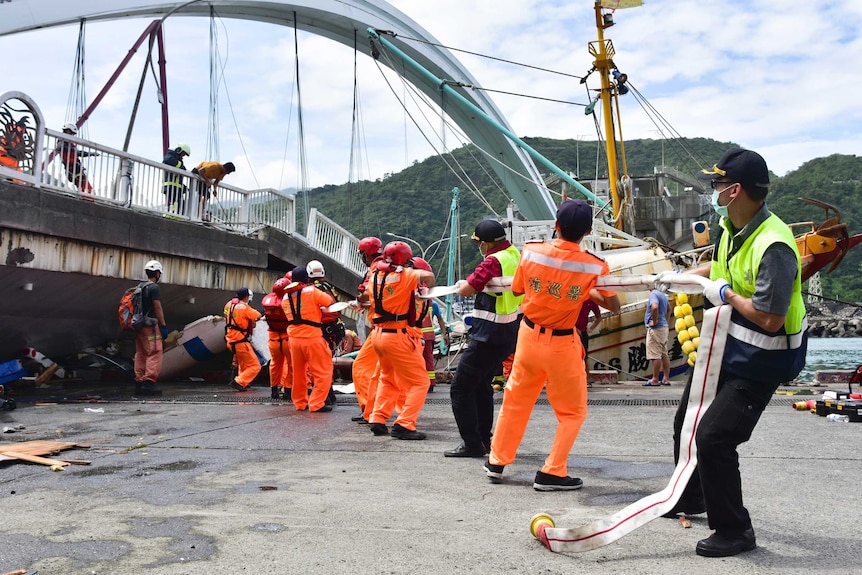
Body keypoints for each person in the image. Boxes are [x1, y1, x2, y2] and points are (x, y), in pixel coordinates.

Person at [663, 148, 808, 557]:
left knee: (714, 437)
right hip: (726, 346)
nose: (713, 190)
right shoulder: (731, 225)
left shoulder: (774, 245)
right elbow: (719, 267)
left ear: (735, 189)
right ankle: (689, 499)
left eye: (717, 184)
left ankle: (735, 531)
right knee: (687, 422)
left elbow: (769, 318)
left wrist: (723, 294)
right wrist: (679, 278)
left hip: (762, 358)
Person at [484, 199, 620, 490]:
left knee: (516, 401)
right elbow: (614, 303)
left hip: (529, 336)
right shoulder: (594, 265)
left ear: (556, 226)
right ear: (587, 232)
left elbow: (519, 288)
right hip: (562, 343)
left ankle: (497, 461)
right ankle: (552, 472)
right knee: (572, 412)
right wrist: (590, 292)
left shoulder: (532, 252)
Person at [444, 219, 522, 459]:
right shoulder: (513, 253)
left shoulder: (492, 262)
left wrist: (462, 285)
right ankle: (484, 439)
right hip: (508, 333)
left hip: (488, 335)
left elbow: (467, 289)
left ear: (486, 244)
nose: (479, 247)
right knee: (480, 386)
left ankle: (472, 443)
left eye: (479, 243)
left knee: (460, 388)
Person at [365, 241, 435, 439]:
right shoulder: (406, 275)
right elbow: (428, 276)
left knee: (388, 378)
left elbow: (364, 297)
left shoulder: (375, 277)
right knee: (420, 381)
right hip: (397, 336)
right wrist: (426, 290)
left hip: (378, 335)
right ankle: (404, 424)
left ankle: (377, 418)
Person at [282, 266, 337, 412]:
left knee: (299, 373)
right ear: (307, 279)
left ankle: (300, 403)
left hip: (293, 339)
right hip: (312, 337)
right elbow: (329, 302)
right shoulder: (312, 291)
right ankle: (317, 403)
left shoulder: (285, 297)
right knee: (323, 371)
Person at [350, 237, 385, 424]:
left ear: (366, 254)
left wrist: (359, 300)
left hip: (381, 328)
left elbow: (369, 294)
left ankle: (369, 410)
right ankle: (374, 412)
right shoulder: (385, 267)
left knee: (361, 366)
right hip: (386, 328)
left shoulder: (376, 270)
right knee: (383, 374)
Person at [411, 257, 450, 393]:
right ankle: (430, 383)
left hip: (416, 335)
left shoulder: (413, 296)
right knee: (428, 359)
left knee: (416, 360)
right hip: (429, 335)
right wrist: (445, 334)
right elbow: (440, 319)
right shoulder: (431, 301)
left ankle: (419, 382)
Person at [134, 260, 169, 396]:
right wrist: (163, 325)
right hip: (150, 326)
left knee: (141, 353)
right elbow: (157, 307)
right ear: (157, 273)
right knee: (154, 352)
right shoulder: (154, 288)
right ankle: (149, 383)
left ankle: (139, 382)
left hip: (138, 325)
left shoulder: (140, 286)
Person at [224, 287, 261, 391]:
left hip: (230, 340)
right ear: (246, 297)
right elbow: (257, 316)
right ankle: (239, 381)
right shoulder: (244, 307)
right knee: (255, 366)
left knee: (244, 363)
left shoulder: (228, 305)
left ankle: (243, 382)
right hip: (240, 341)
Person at [261, 277, 293, 400]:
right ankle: (287, 390)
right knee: (291, 366)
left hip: (273, 340)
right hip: (287, 339)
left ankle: (274, 390)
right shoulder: (288, 303)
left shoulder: (268, 302)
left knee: (274, 365)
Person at [56, 123, 97, 194]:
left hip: (76, 169)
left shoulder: (70, 144)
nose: (72, 135)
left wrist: (90, 154)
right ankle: (86, 198)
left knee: (86, 188)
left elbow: (78, 153)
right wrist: (73, 150)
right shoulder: (62, 141)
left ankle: (86, 198)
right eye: (71, 133)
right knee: (85, 188)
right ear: (67, 131)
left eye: (72, 134)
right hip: (72, 170)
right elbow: (60, 147)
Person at [642, 289, 671, 386]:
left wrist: (654, 321)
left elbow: (654, 307)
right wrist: (665, 321)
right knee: (664, 353)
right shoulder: (662, 295)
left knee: (655, 355)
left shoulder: (653, 294)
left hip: (656, 329)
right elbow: (669, 308)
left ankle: (655, 379)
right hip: (664, 327)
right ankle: (666, 379)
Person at [163, 143, 190, 214]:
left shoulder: (176, 159)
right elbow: (171, 162)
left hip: (175, 186)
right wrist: (182, 166)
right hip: (171, 186)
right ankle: (172, 215)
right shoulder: (169, 156)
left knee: (180, 204)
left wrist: (182, 186)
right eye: (183, 154)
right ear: (178, 150)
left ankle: (174, 215)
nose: (183, 156)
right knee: (177, 203)